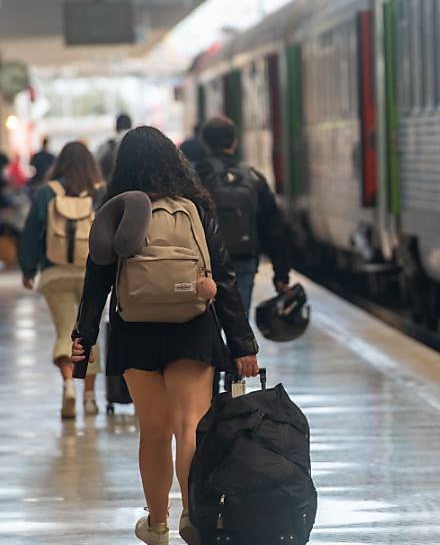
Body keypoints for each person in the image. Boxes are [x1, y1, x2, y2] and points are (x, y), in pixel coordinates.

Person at [71, 126, 259, 544]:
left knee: (153, 430)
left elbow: (96, 278)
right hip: (191, 327)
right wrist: (243, 345)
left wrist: (83, 337)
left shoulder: (116, 208)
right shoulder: (195, 206)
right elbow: (224, 279)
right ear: (173, 161)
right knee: (190, 425)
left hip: (135, 330)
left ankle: (156, 524)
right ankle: (193, 516)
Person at [18, 141, 104, 418]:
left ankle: (68, 385)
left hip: (55, 273)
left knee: (64, 331)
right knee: (88, 333)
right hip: (93, 273)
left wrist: (28, 269)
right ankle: (90, 398)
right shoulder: (99, 192)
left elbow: (31, 233)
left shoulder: (46, 193)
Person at [194, 116, 291, 311]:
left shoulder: (194, 176)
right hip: (243, 259)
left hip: (205, 263)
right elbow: (274, 227)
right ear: (234, 142)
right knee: (238, 323)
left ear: (205, 143)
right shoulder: (252, 176)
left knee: (206, 325)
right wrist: (281, 275)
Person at [95, 113, 132, 180]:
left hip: (112, 187)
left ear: (116, 127)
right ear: (131, 125)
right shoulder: (139, 144)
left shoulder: (106, 145)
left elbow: (96, 165)